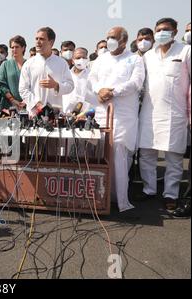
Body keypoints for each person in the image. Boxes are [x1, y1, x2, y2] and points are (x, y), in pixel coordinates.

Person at [88, 27, 145, 213]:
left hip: (123, 115)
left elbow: (136, 82)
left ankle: (118, 199)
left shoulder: (135, 59)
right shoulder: (101, 58)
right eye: (107, 37)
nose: (109, 40)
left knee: (119, 154)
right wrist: (99, 90)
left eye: (113, 37)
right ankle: (99, 197)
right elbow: (92, 79)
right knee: (100, 152)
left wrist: (111, 91)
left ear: (123, 40)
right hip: (102, 112)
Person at [138, 18, 191, 211]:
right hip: (149, 114)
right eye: (158, 30)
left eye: (166, 30)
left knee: (174, 158)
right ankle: (149, 189)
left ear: (175, 32)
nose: (161, 33)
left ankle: (171, 194)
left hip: (175, 114)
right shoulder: (148, 56)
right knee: (146, 155)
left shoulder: (185, 51)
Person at [19, 27, 74, 116]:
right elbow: (23, 89)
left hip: (55, 113)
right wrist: (36, 104)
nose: (37, 42)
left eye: (41, 39)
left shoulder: (61, 63)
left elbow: (70, 86)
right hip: (34, 114)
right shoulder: (28, 64)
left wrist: (56, 86)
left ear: (51, 42)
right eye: (36, 39)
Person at [0, 35, 27, 111]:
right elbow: (1, 84)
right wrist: (12, 100)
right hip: (9, 106)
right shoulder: (6, 64)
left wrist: (26, 101)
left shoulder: (30, 64)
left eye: (17, 47)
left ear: (23, 48)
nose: (14, 49)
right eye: (12, 47)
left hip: (28, 105)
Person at [62, 47, 90, 113]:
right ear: (72, 61)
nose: (81, 60)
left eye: (84, 58)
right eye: (78, 58)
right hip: (67, 115)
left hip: (86, 116)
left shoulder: (92, 75)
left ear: (87, 59)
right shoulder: (65, 75)